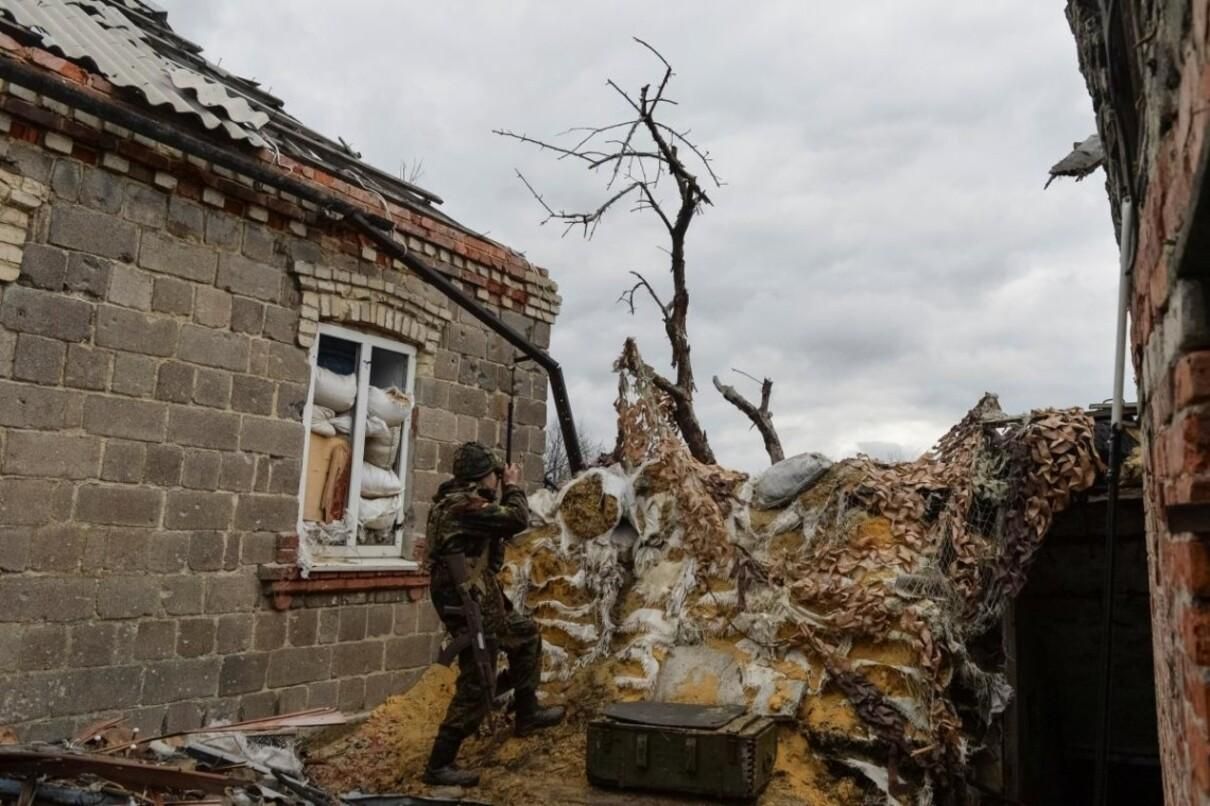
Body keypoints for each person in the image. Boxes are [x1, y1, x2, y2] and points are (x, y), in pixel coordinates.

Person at [423, 441, 565, 787]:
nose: (496, 479)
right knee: (478, 678)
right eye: (493, 474)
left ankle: (527, 713)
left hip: (480, 595)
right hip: (469, 602)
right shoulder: (463, 506)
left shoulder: (454, 502)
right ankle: (439, 764)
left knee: (525, 634)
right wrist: (513, 486)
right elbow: (517, 518)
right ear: (480, 477)